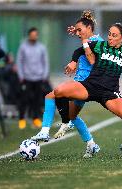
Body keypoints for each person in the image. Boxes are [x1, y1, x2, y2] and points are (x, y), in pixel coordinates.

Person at [34, 23, 122, 161]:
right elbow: (79, 51)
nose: (110, 37)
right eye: (109, 34)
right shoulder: (100, 45)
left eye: (114, 35)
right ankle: (66, 122)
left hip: (109, 93)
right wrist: (73, 61)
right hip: (90, 86)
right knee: (59, 91)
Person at [32, 10, 103, 158]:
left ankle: (45, 130)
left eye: (80, 30)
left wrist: (74, 60)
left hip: (85, 85)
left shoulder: (98, 42)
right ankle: (91, 145)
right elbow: (81, 51)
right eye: (76, 30)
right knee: (73, 115)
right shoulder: (89, 41)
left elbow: (91, 59)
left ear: (89, 28)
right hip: (80, 83)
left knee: (51, 95)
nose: (77, 33)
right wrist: (79, 36)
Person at [16, 27, 50, 129]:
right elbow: (19, 61)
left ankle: (36, 118)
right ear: (29, 35)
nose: (34, 36)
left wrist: (45, 75)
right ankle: (21, 119)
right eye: (32, 35)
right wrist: (21, 75)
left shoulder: (41, 47)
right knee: (24, 99)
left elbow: (45, 62)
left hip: (39, 78)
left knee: (37, 99)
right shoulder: (23, 47)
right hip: (26, 78)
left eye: (36, 35)